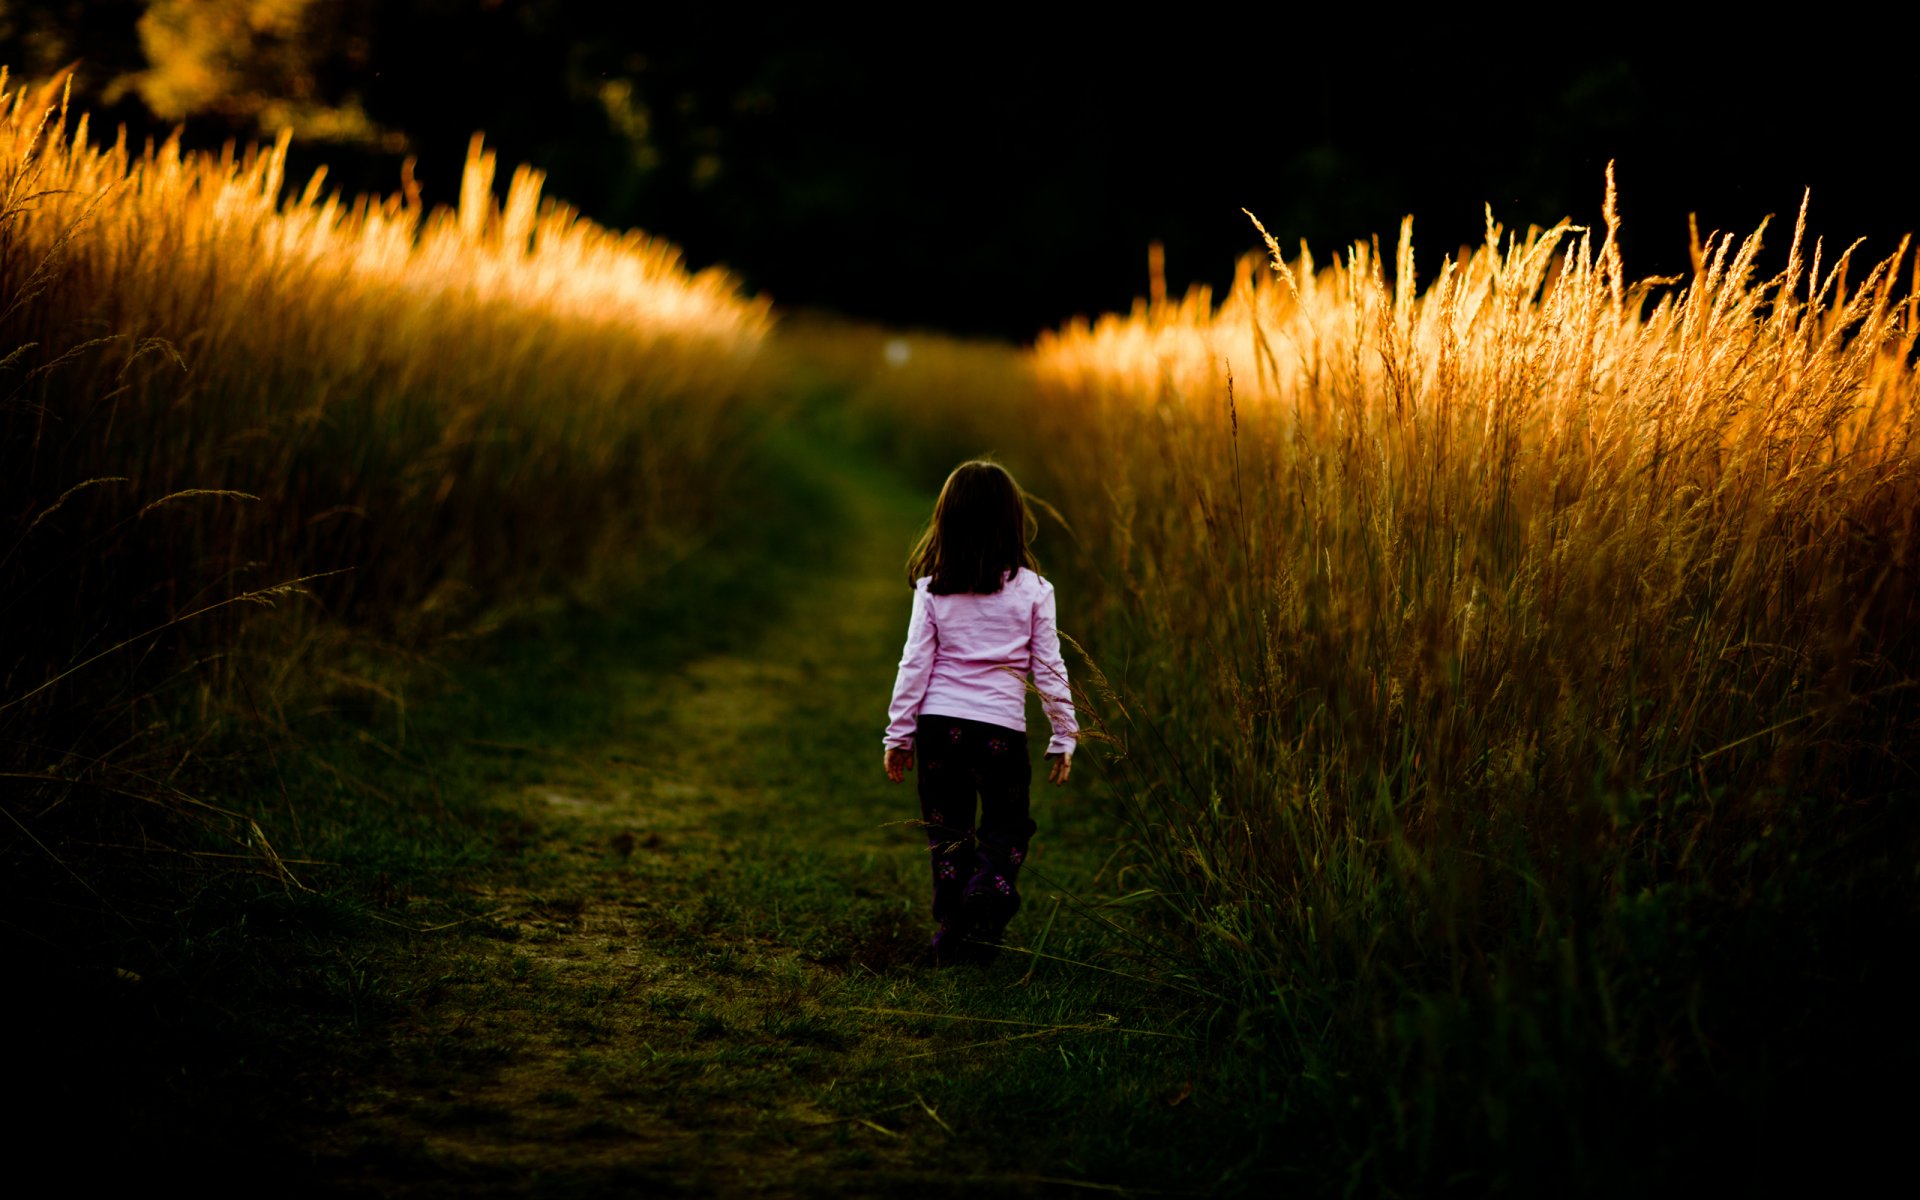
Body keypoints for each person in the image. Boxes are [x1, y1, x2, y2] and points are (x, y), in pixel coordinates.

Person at [883, 459, 1077, 966]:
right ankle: (989, 886)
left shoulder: (932, 589)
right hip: (999, 734)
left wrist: (899, 735)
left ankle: (954, 931)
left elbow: (914, 665)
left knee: (946, 833)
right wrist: (1064, 732)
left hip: (938, 730)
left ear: (947, 519)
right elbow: (1049, 665)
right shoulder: (1035, 591)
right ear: (1012, 522)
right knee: (1007, 826)